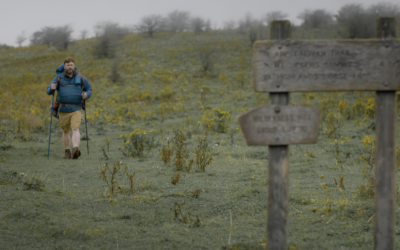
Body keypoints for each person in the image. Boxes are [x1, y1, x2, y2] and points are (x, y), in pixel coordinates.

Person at [46, 57, 92, 159]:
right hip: (63, 109)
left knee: (75, 128)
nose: (69, 67)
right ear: (64, 66)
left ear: (74, 66)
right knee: (66, 130)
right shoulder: (58, 78)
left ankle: (75, 149)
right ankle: (67, 152)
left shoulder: (80, 77)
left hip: (77, 108)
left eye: (71, 65)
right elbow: (49, 91)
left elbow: (89, 89)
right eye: (67, 65)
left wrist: (86, 95)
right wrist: (51, 89)